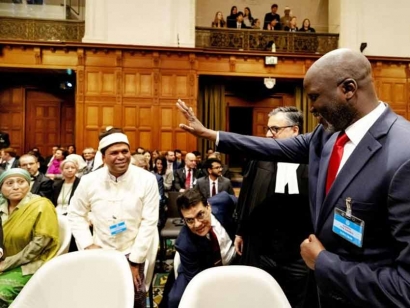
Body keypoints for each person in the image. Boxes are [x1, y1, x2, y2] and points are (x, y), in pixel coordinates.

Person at [175, 48, 410, 307]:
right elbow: (271, 148)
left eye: (315, 96)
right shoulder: (329, 135)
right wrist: (212, 135)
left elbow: (405, 286)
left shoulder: (403, 154)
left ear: (348, 89)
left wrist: (324, 264)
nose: (311, 108)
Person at [68, 127, 159, 308]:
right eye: (114, 152)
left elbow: (149, 222)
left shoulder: (146, 179)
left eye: (125, 151)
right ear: (103, 158)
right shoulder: (89, 181)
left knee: (135, 297)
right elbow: (75, 214)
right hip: (101, 250)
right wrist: (88, 245)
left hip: (135, 248)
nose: (121, 156)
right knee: (103, 297)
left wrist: (134, 261)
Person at [234, 107, 315, 308]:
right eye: (268, 129)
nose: (268, 135)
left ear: (295, 130)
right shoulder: (259, 158)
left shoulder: (315, 161)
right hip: (264, 250)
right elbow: (247, 194)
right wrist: (240, 231)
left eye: (275, 129)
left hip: (299, 255)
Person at [167, 189, 237, 308]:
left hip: (235, 260)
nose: (197, 224)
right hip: (200, 269)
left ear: (208, 207)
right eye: (189, 220)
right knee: (176, 299)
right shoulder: (184, 244)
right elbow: (197, 282)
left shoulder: (223, 201)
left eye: (200, 215)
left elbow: (247, 206)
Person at [0, 168, 59, 307]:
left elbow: (38, 246)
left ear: (29, 185)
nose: (16, 187)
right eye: (9, 183)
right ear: (1, 188)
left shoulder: (41, 205)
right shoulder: (1, 206)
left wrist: (5, 264)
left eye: (21, 182)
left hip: (30, 265)